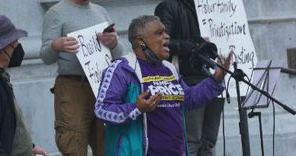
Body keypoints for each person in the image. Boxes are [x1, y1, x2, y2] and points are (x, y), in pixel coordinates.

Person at [94, 15, 232, 156]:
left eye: (165, 32)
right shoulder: (122, 69)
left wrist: (216, 79)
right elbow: (102, 110)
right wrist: (137, 108)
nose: (167, 36)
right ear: (141, 41)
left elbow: (188, 99)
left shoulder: (169, 69)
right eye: (159, 33)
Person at [40, 0, 123, 155]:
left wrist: (114, 43)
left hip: (102, 86)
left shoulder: (101, 11)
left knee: (107, 145)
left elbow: (118, 54)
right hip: (73, 87)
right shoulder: (56, 12)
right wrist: (55, 46)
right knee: (73, 144)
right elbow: (45, 56)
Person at [155, 1, 225, 155]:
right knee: (192, 140)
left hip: (215, 77)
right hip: (189, 80)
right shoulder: (168, 6)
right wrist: (194, 47)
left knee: (209, 140)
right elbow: (162, 43)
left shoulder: (214, 5)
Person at [0, 14, 49, 156]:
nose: (17, 50)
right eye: (14, 45)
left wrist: (29, 147)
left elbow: (10, 123)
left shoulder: (1, 76)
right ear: (1, 49)